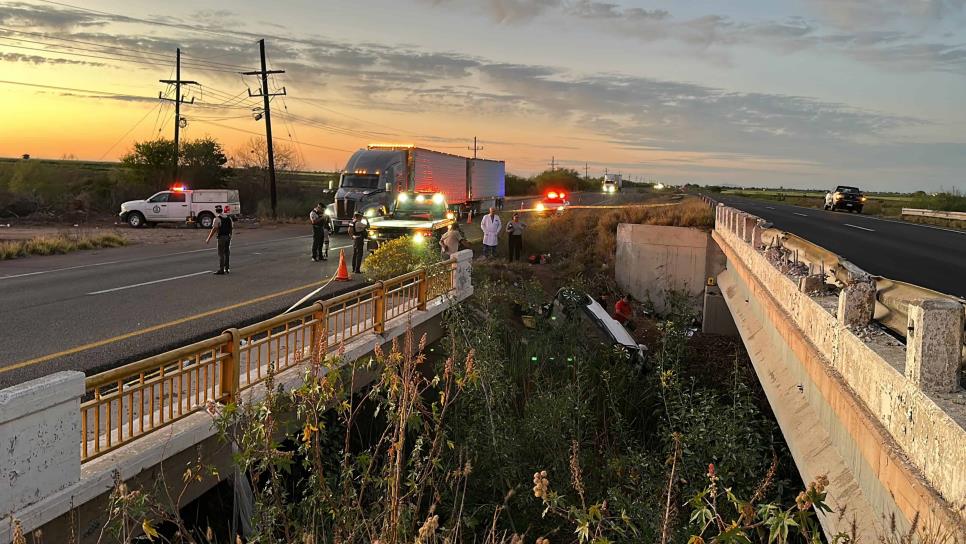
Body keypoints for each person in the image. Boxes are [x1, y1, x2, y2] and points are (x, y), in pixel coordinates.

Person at [205, 205, 233, 275]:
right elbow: (231, 228)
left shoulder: (217, 219)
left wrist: (208, 238)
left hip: (221, 237)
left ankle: (221, 270)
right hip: (228, 236)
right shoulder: (228, 218)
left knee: (221, 254)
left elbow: (214, 229)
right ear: (222, 210)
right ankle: (227, 268)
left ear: (216, 211)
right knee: (227, 253)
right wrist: (230, 236)